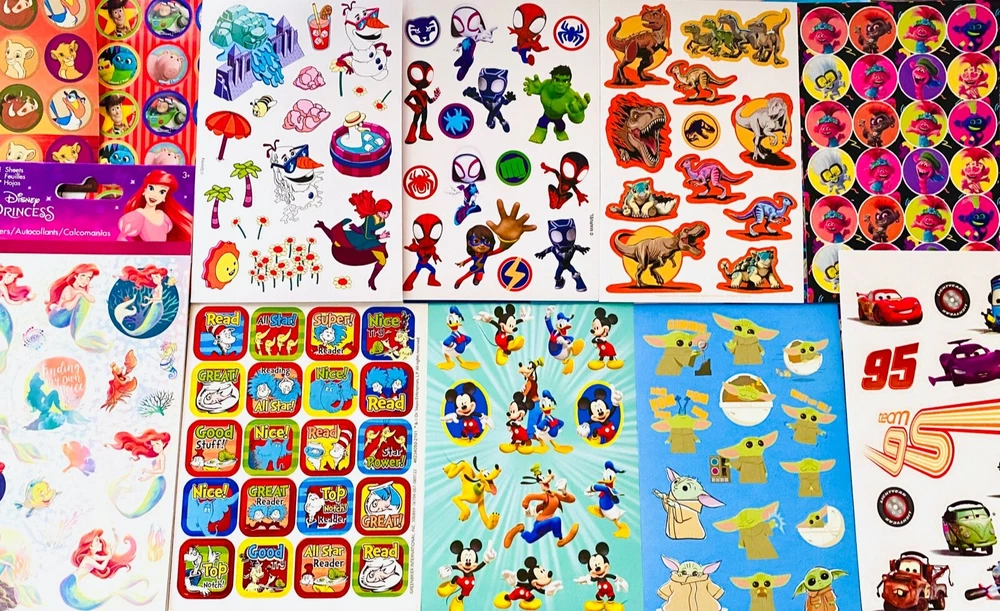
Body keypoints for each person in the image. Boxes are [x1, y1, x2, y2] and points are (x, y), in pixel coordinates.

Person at [117, 170, 193, 242]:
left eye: (162, 192)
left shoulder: (163, 217)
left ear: (164, 197)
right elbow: (121, 239)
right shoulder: (138, 216)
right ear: (144, 191)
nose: (155, 195)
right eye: (151, 188)